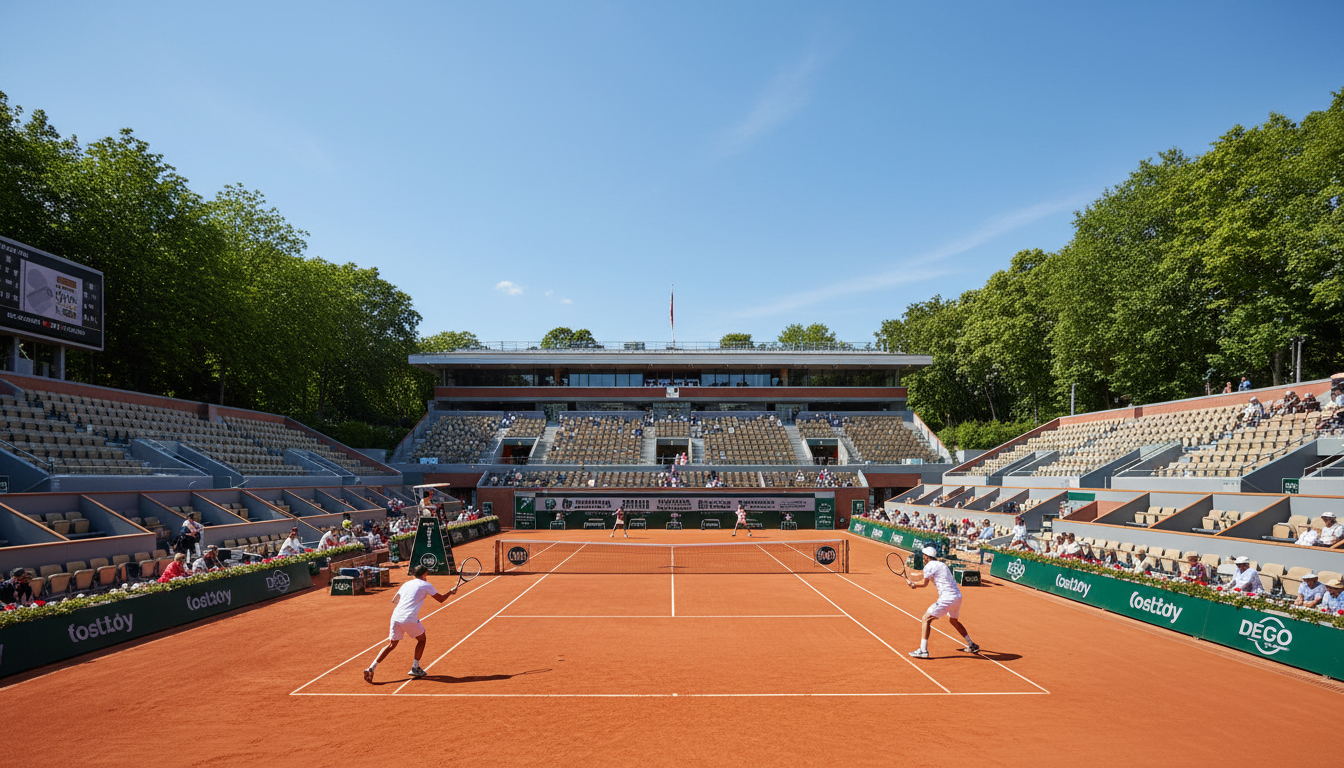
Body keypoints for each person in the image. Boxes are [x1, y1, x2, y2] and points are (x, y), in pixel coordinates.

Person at [364, 564, 459, 683]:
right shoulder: (426, 585)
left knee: (391, 645)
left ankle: (371, 667)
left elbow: (395, 601)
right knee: (422, 639)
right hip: (409, 618)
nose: (427, 576)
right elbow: (440, 599)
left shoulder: (406, 584)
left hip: (396, 617)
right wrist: (450, 592)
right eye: (427, 574)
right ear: (424, 574)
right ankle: (415, 667)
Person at [906, 546, 978, 658]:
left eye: (923, 555)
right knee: (954, 621)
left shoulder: (929, 566)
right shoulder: (942, 564)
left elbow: (924, 583)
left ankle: (923, 650)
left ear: (925, 556)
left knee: (926, 618)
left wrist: (913, 584)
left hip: (947, 598)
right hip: (957, 596)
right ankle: (971, 644)